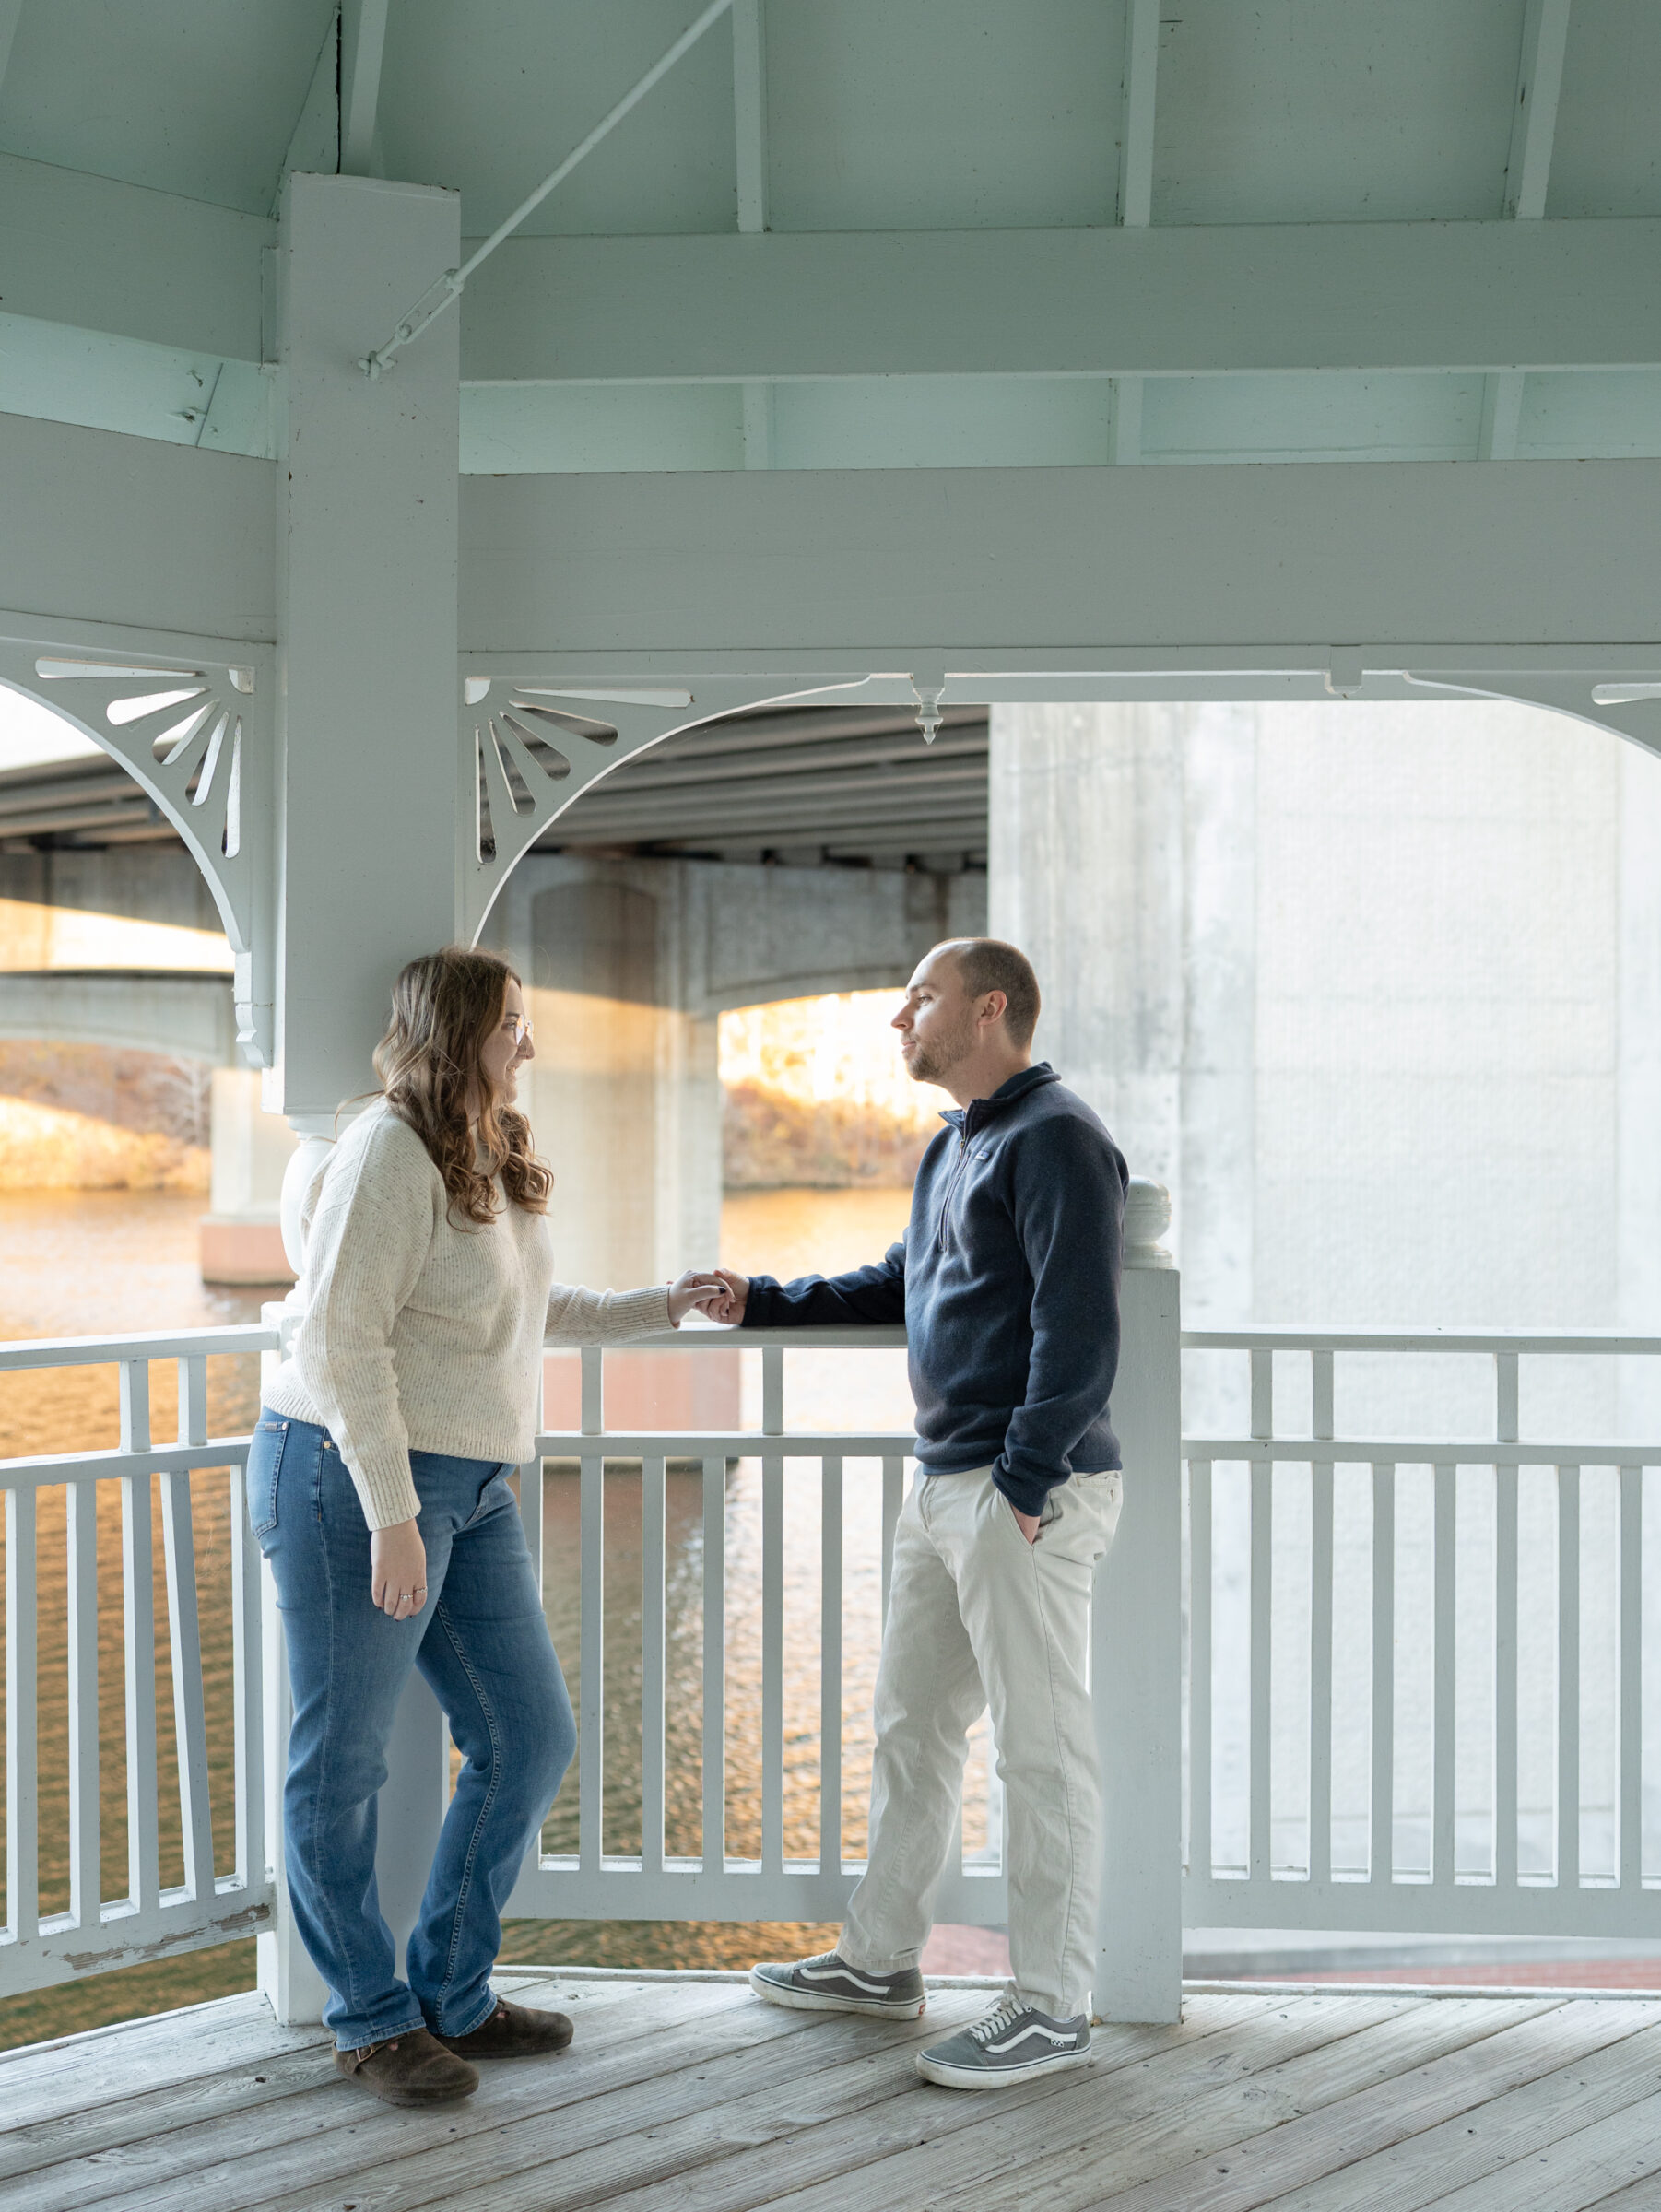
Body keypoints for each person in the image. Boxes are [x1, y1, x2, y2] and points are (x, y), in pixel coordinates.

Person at [248, 947, 722, 2108]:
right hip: (350, 1482)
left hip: (473, 1484)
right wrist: (393, 1516)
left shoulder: (485, 1147)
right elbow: (337, 1340)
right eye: (513, 1021)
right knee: (342, 1763)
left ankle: (452, 1992)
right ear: (456, 1028)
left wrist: (666, 1305)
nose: (530, 1042)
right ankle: (368, 2019)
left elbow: (521, 1311)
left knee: (529, 1736)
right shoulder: (385, 1148)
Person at [709, 937, 1128, 2089]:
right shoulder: (954, 1144)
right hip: (945, 1484)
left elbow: (1079, 1333)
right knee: (910, 1728)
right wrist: (763, 1303)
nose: (899, 1018)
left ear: (989, 1009)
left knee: (1040, 1756)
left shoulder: (1059, 1140)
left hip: (1017, 1493)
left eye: (920, 998)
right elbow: (903, 1283)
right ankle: (880, 1961)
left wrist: (1024, 1480)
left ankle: (1051, 2005)